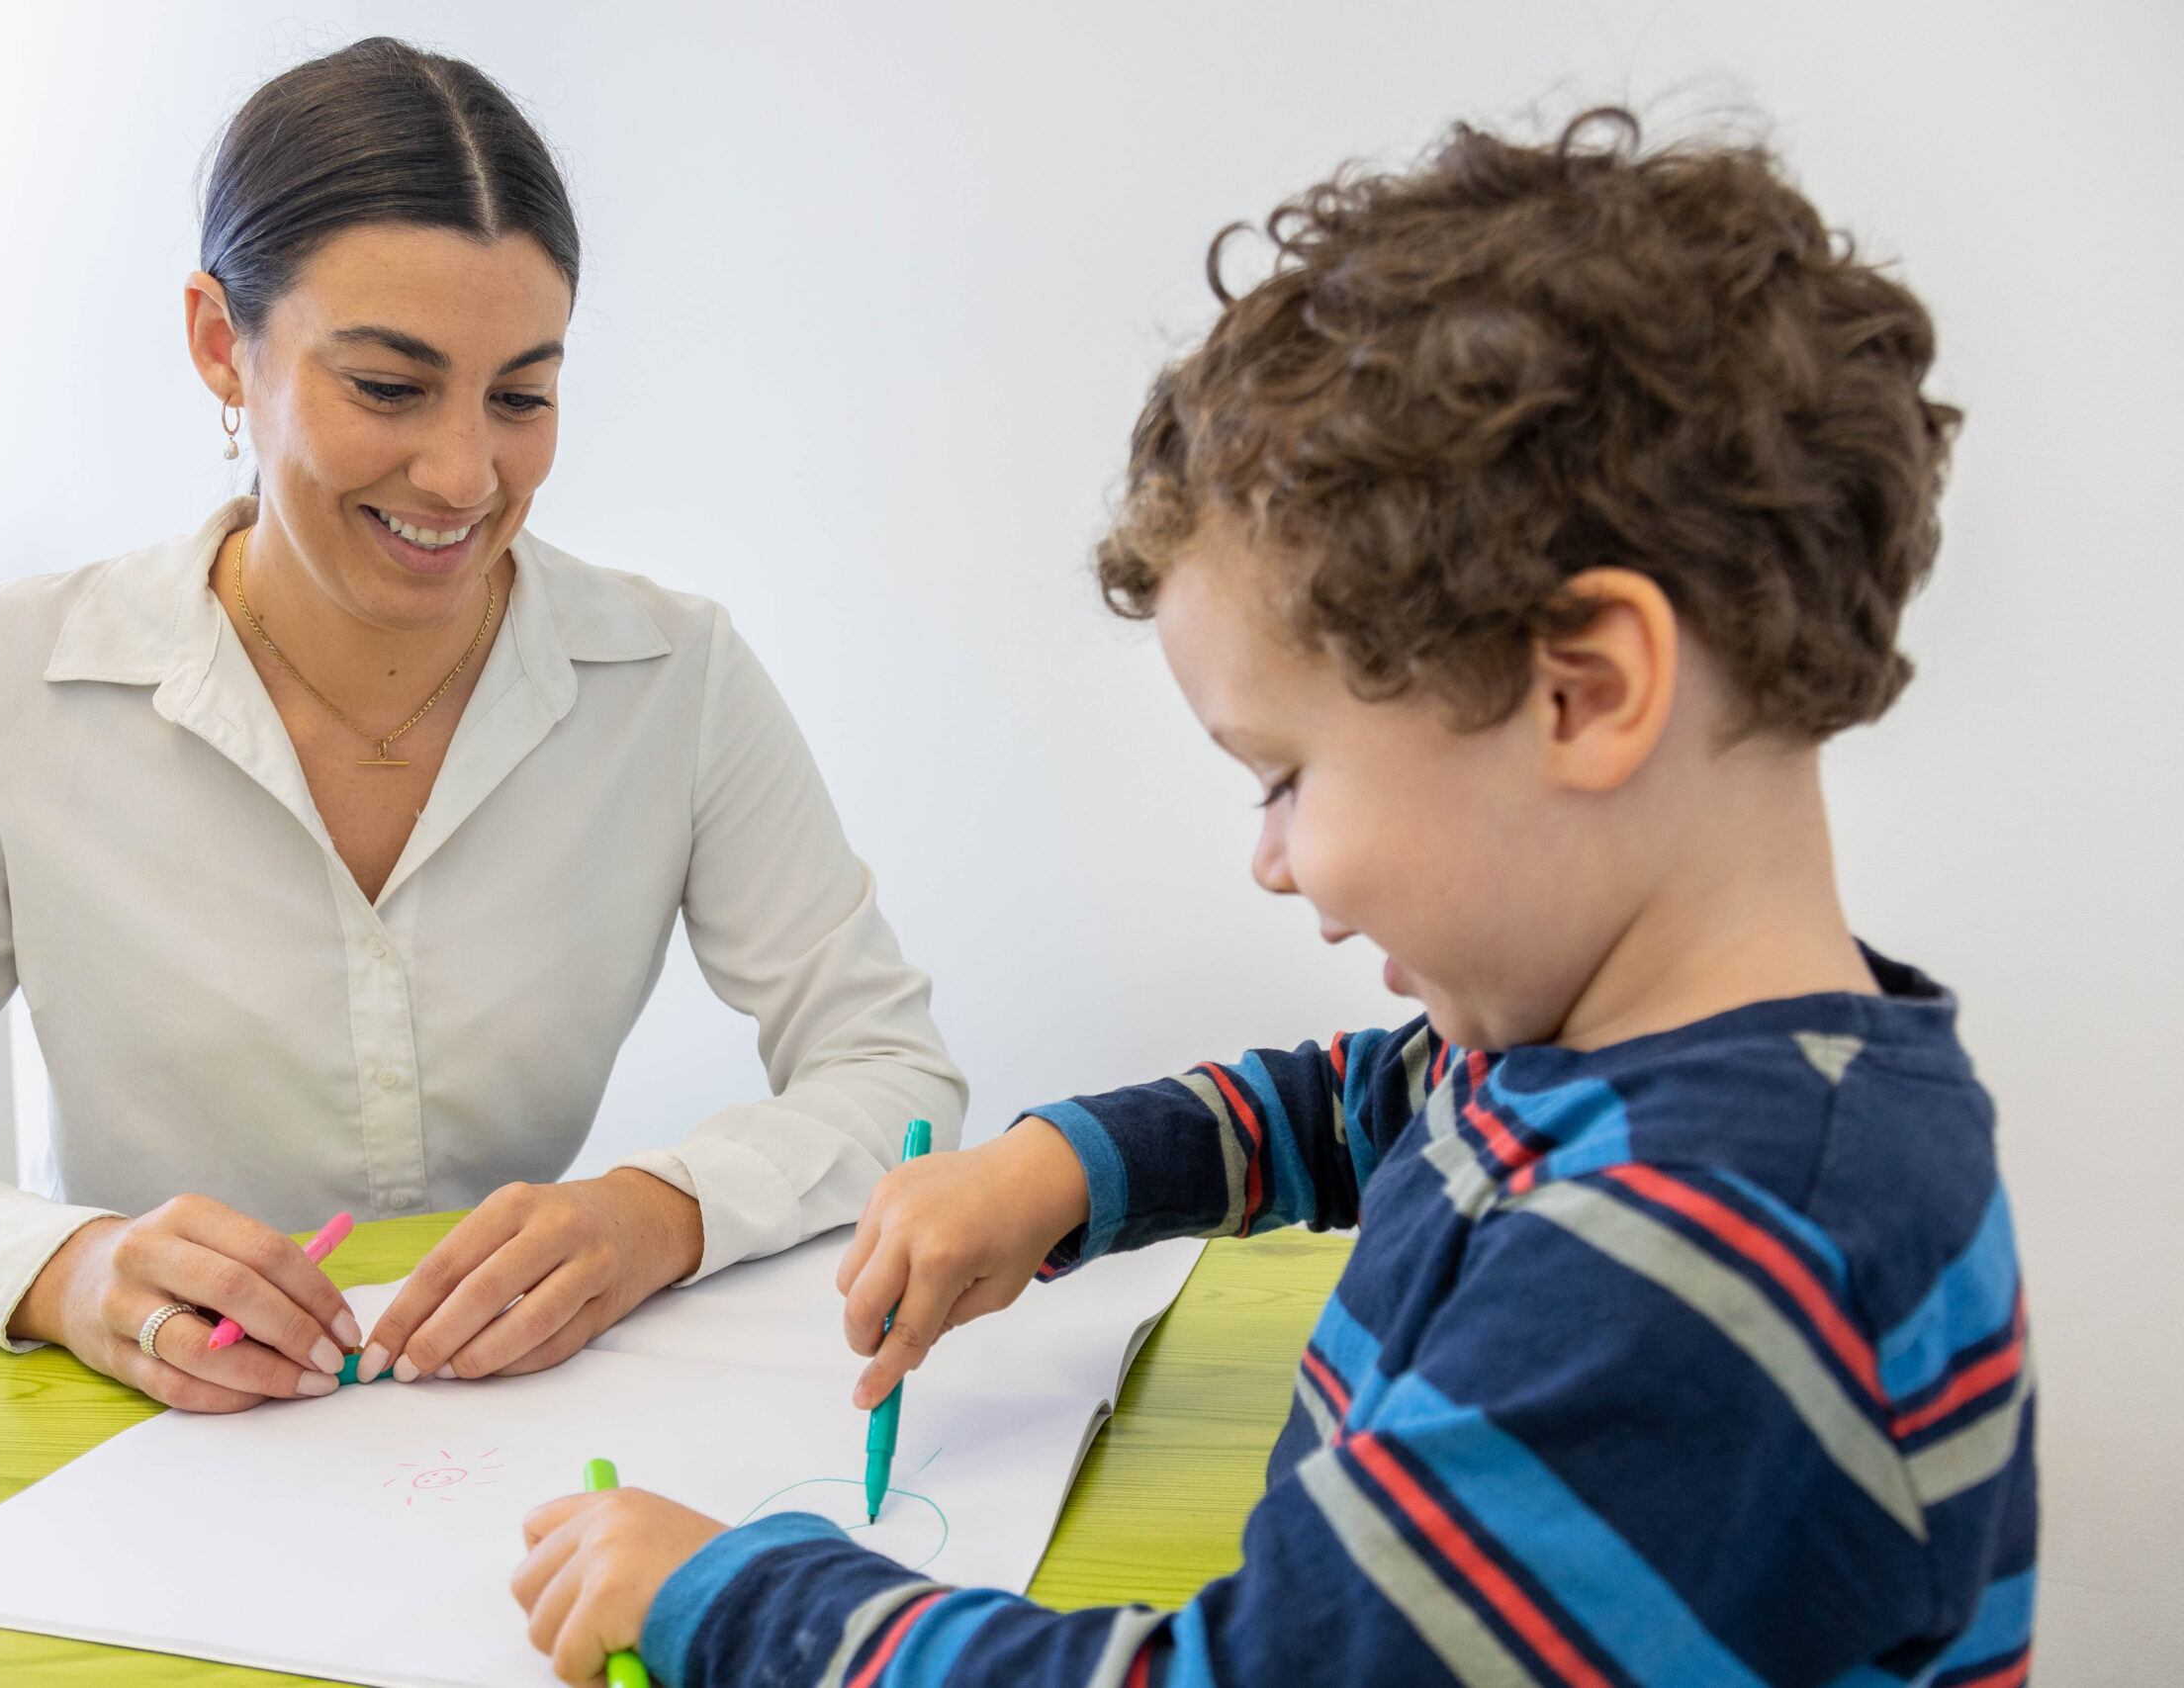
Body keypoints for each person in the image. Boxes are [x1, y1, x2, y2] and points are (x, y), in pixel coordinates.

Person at [508, 111, 2035, 1687]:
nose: (1273, 856)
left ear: (1584, 694)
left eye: (1287, 775)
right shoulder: (1629, 1066)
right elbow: (1377, 1113)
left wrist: (741, 1602)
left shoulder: (1696, 1256)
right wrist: (1060, 1176)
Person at [0, 38, 962, 1415]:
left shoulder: (674, 675)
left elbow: (888, 1071)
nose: (464, 473)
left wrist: (658, 1212)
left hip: (501, 1441)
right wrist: (69, 1271)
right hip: (138, 1452)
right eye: (387, 386)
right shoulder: (16, 681)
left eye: (522, 395)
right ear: (218, 344)